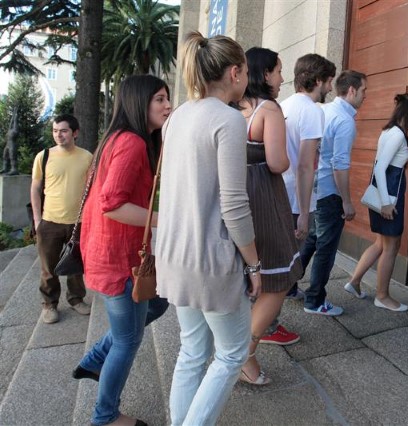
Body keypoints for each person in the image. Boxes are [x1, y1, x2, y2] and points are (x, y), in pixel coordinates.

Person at [155, 32, 261, 425]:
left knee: (191, 351)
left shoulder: (178, 116)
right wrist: (253, 265)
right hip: (211, 258)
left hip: (173, 251)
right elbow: (234, 205)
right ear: (234, 72)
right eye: (246, 71)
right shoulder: (230, 119)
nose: (247, 79)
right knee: (233, 353)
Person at [76, 75, 172, 426]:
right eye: (159, 99)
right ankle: (105, 416)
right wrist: (165, 219)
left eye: (167, 98)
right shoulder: (131, 143)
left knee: (158, 302)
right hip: (118, 261)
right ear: (139, 103)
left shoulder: (117, 138)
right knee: (128, 341)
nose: (167, 105)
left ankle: (96, 357)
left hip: (110, 253)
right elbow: (111, 204)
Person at [238, 47, 303, 384]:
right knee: (277, 278)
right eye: (278, 70)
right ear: (264, 74)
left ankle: (235, 349)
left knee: (248, 273)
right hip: (263, 195)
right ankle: (244, 354)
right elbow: (278, 162)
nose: (282, 77)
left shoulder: (233, 107)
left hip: (235, 195)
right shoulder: (269, 109)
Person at [344, 93, 408, 311]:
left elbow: (390, 162)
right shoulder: (397, 134)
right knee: (391, 246)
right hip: (389, 197)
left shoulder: (391, 131)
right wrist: (387, 204)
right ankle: (383, 296)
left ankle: (355, 281)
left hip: (385, 194)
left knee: (381, 243)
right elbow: (380, 167)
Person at [304, 70, 367, 310]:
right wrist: (347, 201)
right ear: (351, 90)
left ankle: (289, 286)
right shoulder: (344, 120)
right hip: (329, 193)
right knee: (326, 248)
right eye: (363, 91)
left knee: (312, 240)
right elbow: (340, 165)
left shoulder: (324, 110)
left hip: (315, 189)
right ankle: (315, 299)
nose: (365, 96)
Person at [280, 53, 337, 314]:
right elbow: (306, 165)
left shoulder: (283, 105)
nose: (331, 88)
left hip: (280, 193)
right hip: (295, 199)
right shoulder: (312, 110)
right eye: (329, 81)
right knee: (285, 263)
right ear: (317, 80)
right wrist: (304, 213)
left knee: (278, 261)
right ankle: (267, 325)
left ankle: (267, 321)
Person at [30, 114, 92, 324]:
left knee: (76, 265)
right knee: (48, 268)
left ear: (75, 133)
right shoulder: (44, 156)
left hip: (79, 222)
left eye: (63, 131)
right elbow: (36, 188)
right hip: (50, 222)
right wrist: (38, 221)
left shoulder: (87, 157)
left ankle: (76, 299)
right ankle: (49, 304)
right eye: (55, 131)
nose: (59, 135)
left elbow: (91, 189)